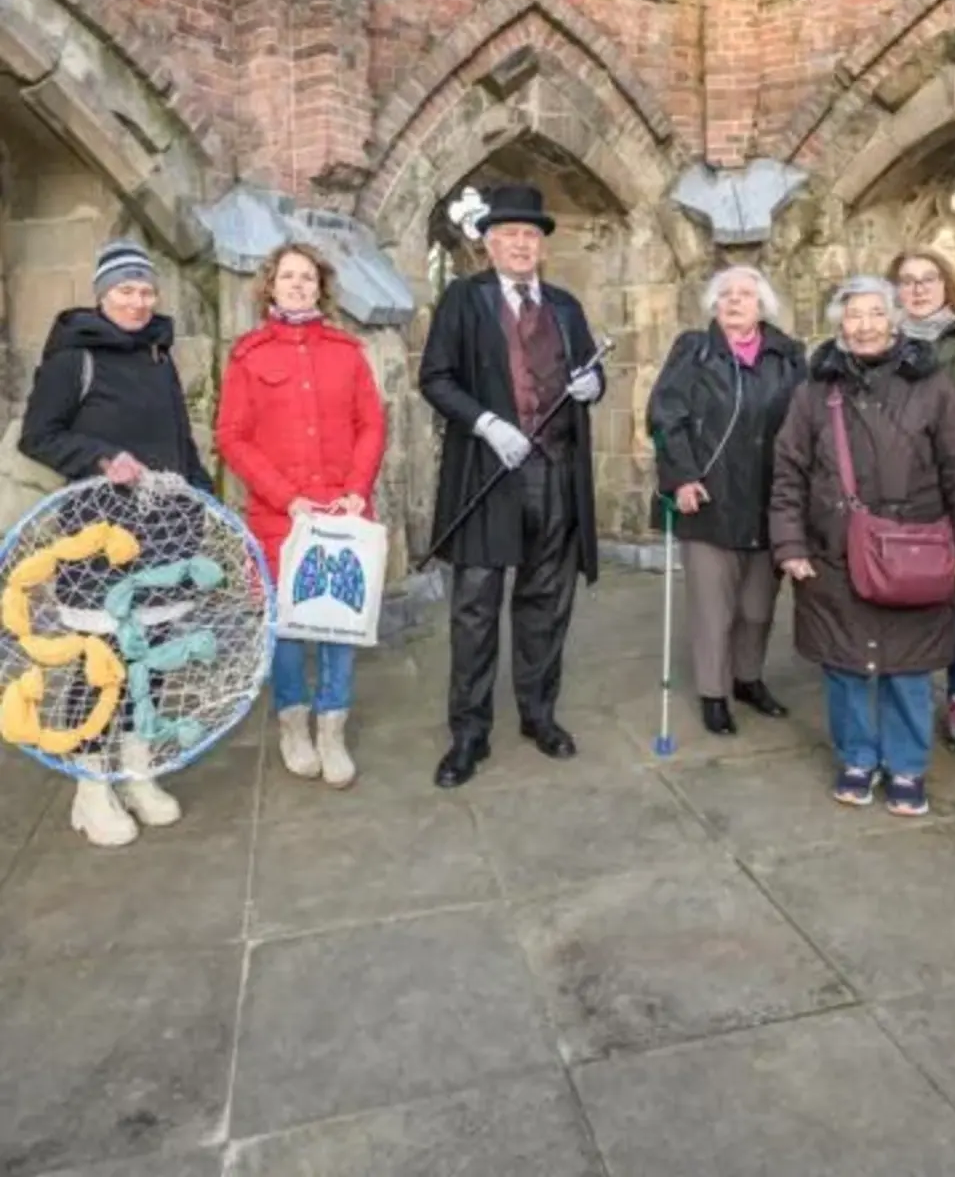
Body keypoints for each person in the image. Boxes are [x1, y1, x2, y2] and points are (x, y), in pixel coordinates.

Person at [769, 276, 955, 816]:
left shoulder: (932, 385)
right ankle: (856, 758)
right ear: (839, 324)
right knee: (845, 666)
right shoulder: (812, 392)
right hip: (834, 550)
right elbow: (788, 474)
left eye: (875, 313)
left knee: (908, 669)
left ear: (893, 319)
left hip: (914, 548)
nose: (865, 325)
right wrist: (790, 545)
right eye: (853, 315)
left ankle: (907, 765)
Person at [18, 239, 213, 847]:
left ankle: (134, 771)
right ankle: (90, 787)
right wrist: (101, 457)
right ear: (102, 296)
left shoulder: (160, 358)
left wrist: (208, 512)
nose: (137, 301)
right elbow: (39, 436)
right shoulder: (72, 360)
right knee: (98, 665)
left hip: (161, 539)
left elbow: (182, 447)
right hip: (97, 544)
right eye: (125, 290)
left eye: (145, 290)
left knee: (147, 661)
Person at [419, 182, 605, 789]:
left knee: (546, 603)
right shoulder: (463, 300)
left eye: (531, 236)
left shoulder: (566, 307)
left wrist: (593, 387)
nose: (522, 245)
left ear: (541, 247)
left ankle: (539, 714)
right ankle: (469, 734)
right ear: (490, 244)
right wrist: (487, 422)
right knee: (475, 609)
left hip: (555, 473)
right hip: (488, 474)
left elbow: (588, 370)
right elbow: (436, 378)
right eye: (510, 236)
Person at [216, 242, 386, 790]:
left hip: (342, 512)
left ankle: (332, 728)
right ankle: (293, 725)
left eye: (307, 278)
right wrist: (286, 495)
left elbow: (371, 425)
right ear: (270, 285)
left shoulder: (345, 351)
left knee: (339, 624)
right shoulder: (248, 355)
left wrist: (357, 489)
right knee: (287, 630)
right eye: (287, 277)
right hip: (281, 518)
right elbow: (232, 437)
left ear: (320, 287)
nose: (297, 285)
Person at [646, 265, 806, 734]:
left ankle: (748, 678)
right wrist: (681, 478)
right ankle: (714, 694)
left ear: (763, 306)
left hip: (768, 500)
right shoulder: (693, 351)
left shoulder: (789, 356)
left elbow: (806, 423)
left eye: (746, 295)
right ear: (714, 305)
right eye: (726, 294)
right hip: (709, 500)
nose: (735, 302)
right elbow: (665, 416)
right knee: (713, 610)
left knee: (757, 607)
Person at [889, 245, 955, 753]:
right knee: (897, 590)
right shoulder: (877, 341)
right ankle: (900, 690)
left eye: (928, 279)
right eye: (907, 280)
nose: (917, 289)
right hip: (897, 492)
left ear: (947, 284)